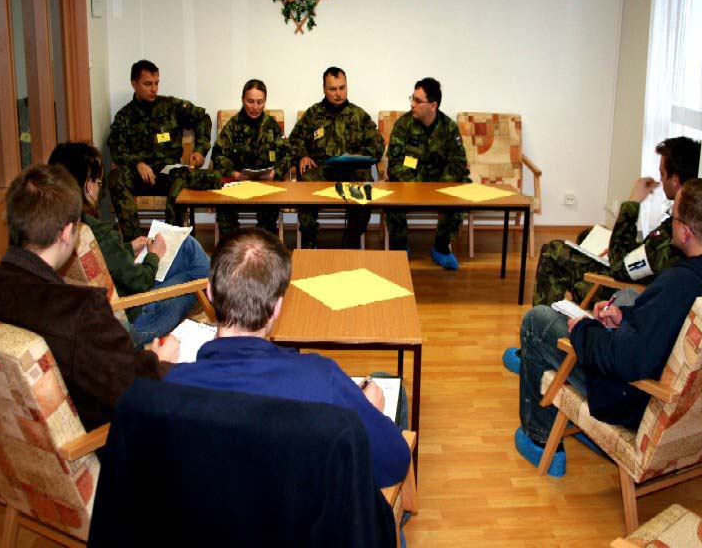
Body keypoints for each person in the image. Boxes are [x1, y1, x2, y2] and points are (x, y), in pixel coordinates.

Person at [514, 179, 702, 477]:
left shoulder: (679, 283)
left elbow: (626, 361)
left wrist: (584, 329)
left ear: (685, 231)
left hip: (639, 400)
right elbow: (666, 323)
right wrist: (626, 316)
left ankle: (538, 437)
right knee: (624, 300)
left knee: (537, 321)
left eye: (673, 216)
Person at [164, 228, 411, 488]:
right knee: (384, 383)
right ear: (277, 307)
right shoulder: (320, 378)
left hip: (218, 508)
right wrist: (367, 416)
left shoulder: (171, 387)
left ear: (210, 293)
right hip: (306, 511)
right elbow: (394, 463)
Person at [0, 164, 179, 430]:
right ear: (67, 232)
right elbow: (139, 393)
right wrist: (161, 363)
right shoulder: (80, 310)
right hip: (97, 440)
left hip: (9, 436)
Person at [503, 136, 701, 374]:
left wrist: (632, 202)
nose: (660, 179)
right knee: (587, 235)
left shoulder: (675, 230)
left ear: (675, 180)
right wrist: (620, 246)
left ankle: (536, 348)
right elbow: (650, 256)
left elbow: (622, 268)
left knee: (553, 252)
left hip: (625, 294)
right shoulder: (693, 222)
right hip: (637, 283)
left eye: (662, 174)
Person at [49, 142, 210, 347]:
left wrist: (126, 248)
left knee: (187, 249)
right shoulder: (99, 233)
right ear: (88, 186)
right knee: (196, 273)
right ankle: (227, 303)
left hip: (108, 311)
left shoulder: (56, 227)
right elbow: (141, 281)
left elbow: (103, 259)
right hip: (137, 320)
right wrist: (153, 255)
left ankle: (219, 293)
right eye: (99, 182)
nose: (100, 188)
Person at [107, 59, 213, 241]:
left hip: (167, 172)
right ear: (134, 84)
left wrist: (200, 150)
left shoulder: (170, 107)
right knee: (116, 177)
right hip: (140, 175)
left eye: (156, 83)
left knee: (182, 178)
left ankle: (172, 240)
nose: (154, 89)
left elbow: (202, 117)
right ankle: (134, 241)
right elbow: (116, 148)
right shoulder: (124, 116)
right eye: (148, 84)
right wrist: (137, 163)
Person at [288, 66, 384, 249]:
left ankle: (354, 237)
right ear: (324, 89)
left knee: (364, 183)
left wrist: (360, 156)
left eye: (342, 88)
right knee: (306, 181)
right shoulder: (313, 114)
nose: (338, 93)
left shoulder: (358, 115)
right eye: (333, 89)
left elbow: (377, 144)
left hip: (352, 169)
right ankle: (309, 239)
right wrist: (302, 155)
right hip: (321, 168)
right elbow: (294, 140)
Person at [385, 77, 471, 270]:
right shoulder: (403, 125)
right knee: (392, 198)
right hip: (409, 183)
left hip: (440, 183)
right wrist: (415, 188)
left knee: (459, 195)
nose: (412, 104)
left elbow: (458, 162)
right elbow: (395, 164)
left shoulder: (449, 128)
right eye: (412, 99)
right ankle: (399, 247)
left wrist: (439, 188)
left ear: (433, 105)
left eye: (418, 101)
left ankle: (441, 248)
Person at [211, 79, 290, 236]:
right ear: (243, 100)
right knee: (225, 212)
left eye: (260, 102)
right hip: (237, 182)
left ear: (265, 102)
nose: (255, 107)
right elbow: (218, 154)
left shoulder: (271, 126)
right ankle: (231, 245)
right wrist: (234, 173)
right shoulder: (233, 125)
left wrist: (275, 172)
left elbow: (286, 154)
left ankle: (265, 246)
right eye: (250, 101)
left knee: (268, 221)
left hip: (265, 183)